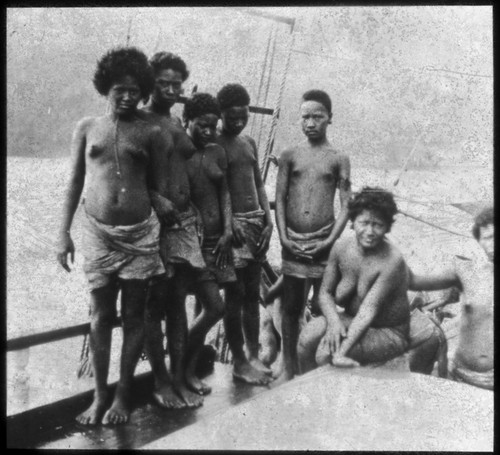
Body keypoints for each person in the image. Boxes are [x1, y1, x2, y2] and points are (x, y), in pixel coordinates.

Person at [56, 47, 169, 425]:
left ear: (144, 91)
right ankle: (99, 395)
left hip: (140, 236)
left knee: (134, 315)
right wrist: (63, 234)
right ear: (106, 88)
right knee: (101, 315)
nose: (127, 96)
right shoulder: (87, 127)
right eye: (119, 88)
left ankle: (123, 395)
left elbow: (157, 186)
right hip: (97, 235)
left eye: (135, 90)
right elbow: (74, 182)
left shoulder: (150, 131)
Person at [140, 51, 204, 408]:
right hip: (155, 225)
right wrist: (153, 197)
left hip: (183, 224)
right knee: (154, 304)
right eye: (162, 82)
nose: (169, 88)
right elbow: (129, 176)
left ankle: (179, 377)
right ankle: (160, 381)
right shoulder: (139, 120)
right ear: (151, 82)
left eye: (175, 84)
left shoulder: (177, 121)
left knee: (178, 303)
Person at [275, 89, 351, 382]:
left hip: (324, 242)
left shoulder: (338, 158)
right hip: (292, 240)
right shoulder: (289, 155)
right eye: (305, 117)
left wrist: (329, 241)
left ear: (329, 118)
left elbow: (346, 205)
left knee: (323, 304)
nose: (310, 123)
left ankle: (318, 367)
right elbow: (280, 198)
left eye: (317, 117)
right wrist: (283, 236)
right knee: (291, 307)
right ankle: (289, 366)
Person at [298, 187, 410, 372]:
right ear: (353, 222)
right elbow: (324, 293)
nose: (370, 231)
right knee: (306, 338)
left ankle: (328, 397)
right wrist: (334, 322)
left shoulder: (392, 261)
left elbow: (368, 310)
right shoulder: (341, 248)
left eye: (378, 225)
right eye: (364, 223)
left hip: (387, 331)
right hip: (350, 318)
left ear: (387, 227)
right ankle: (304, 393)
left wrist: (342, 351)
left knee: (324, 354)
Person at [216, 83, 274, 385]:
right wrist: (228, 224)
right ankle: (239, 360)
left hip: (256, 224)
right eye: (231, 117)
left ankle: (254, 355)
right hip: (233, 226)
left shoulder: (249, 142)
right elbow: (214, 190)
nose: (238, 122)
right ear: (220, 113)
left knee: (253, 295)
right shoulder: (213, 144)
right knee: (234, 296)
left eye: (243, 116)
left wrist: (269, 222)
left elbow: (260, 185)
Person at [183, 92, 235, 394]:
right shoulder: (180, 152)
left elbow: (225, 192)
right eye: (202, 125)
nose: (209, 131)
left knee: (210, 306)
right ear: (188, 121)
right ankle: (185, 369)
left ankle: (189, 367)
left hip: (220, 243)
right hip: (194, 243)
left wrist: (229, 228)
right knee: (214, 308)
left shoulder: (217, 152)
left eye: (213, 126)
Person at [409, 206, 493, 390]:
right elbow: (414, 281)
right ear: (479, 240)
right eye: (488, 238)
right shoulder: (466, 271)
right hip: (462, 375)